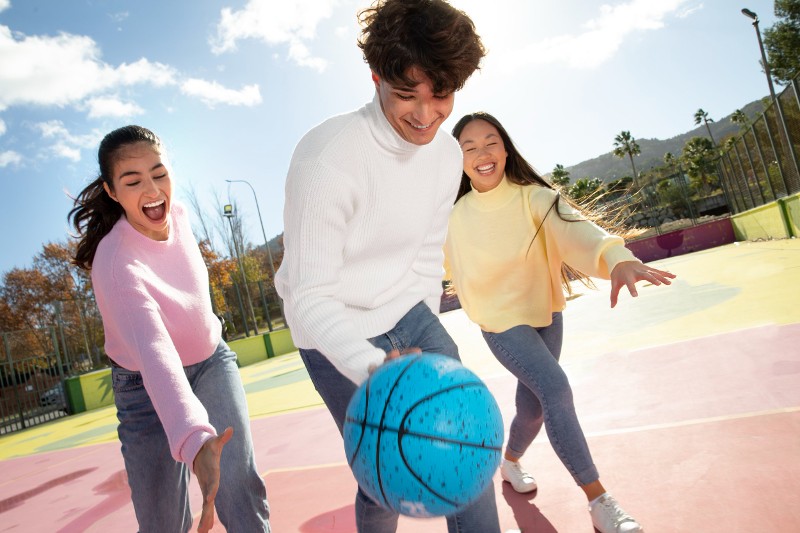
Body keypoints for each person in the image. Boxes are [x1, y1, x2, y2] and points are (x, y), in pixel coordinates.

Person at [274, 1, 500, 532]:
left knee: (464, 454)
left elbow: (425, 256)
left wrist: (419, 335)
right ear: (376, 77)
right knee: (383, 477)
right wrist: (380, 370)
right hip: (335, 327)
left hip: (412, 317)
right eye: (406, 95)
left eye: (440, 96)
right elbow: (307, 300)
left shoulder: (447, 156)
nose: (425, 115)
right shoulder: (326, 159)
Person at [444, 112, 676, 533]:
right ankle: (599, 500)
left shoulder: (535, 198)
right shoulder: (452, 217)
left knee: (532, 408)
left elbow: (580, 232)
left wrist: (617, 259)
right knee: (555, 389)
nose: (482, 153)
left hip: (546, 315)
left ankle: (510, 461)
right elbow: (419, 267)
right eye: (469, 146)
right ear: (456, 159)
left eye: (490, 141)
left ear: (506, 147)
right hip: (500, 324)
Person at [68, 125, 270, 533]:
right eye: (133, 180)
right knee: (163, 524)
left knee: (238, 487)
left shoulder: (180, 214)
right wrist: (196, 444)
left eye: (159, 173)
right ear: (111, 191)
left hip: (211, 363)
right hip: (143, 386)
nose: (152, 189)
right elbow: (156, 355)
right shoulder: (116, 265)